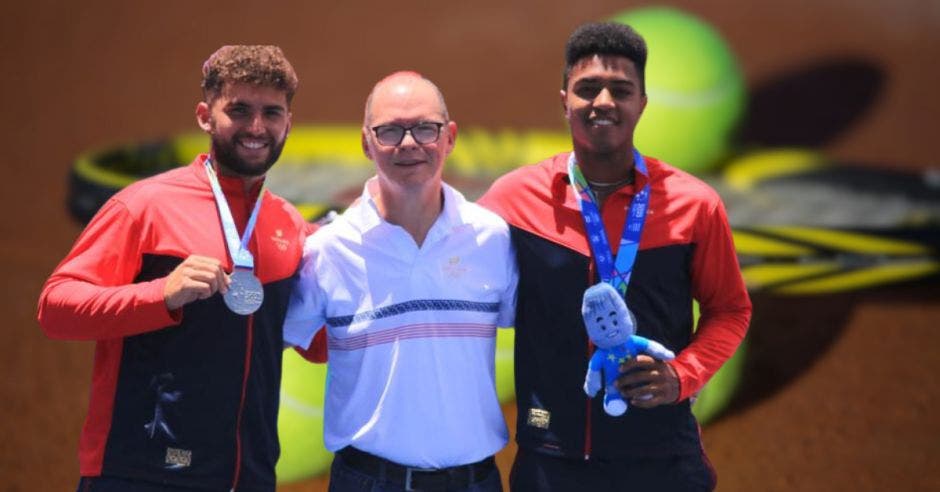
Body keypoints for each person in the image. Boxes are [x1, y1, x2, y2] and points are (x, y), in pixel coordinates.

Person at [478, 22, 752, 491]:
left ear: (642, 103)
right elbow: (444, 250)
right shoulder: (513, 198)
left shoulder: (695, 204)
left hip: (663, 462)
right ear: (564, 99)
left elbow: (730, 310)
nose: (603, 101)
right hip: (550, 461)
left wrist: (680, 375)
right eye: (587, 89)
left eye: (620, 90)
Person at [37, 45, 308, 492]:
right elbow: (56, 306)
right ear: (205, 116)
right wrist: (161, 293)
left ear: (288, 123)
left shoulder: (288, 225)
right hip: (143, 474)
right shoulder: (144, 205)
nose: (256, 127)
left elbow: (316, 340)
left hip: (248, 477)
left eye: (271, 113)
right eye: (239, 110)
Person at [283, 71, 517, 492]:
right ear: (366, 142)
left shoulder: (492, 239)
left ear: (450, 137)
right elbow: (260, 345)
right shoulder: (330, 251)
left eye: (425, 128)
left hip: (476, 482)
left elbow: (546, 334)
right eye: (389, 130)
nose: (408, 143)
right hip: (367, 482)